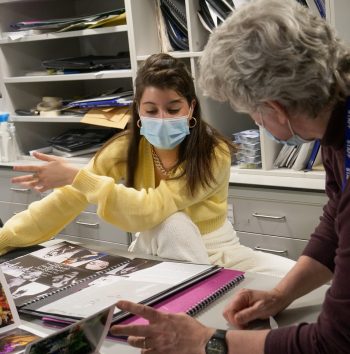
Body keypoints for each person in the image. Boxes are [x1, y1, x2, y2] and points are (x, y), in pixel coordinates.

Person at [110, 0, 350, 353]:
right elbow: (335, 221)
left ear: (275, 109)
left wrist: (208, 341)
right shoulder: (336, 119)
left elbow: (333, 342)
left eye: (253, 113)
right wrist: (280, 294)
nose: (256, 122)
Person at [1, 53, 293, 276]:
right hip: (157, 245)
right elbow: (65, 201)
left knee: (297, 281)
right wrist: (4, 239)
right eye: (151, 110)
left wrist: (79, 177)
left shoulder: (213, 152)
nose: (163, 118)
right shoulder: (126, 148)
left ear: (191, 107)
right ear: (138, 111)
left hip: (218, 248)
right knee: (172, 224)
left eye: (173, 108)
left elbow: (151, 207)